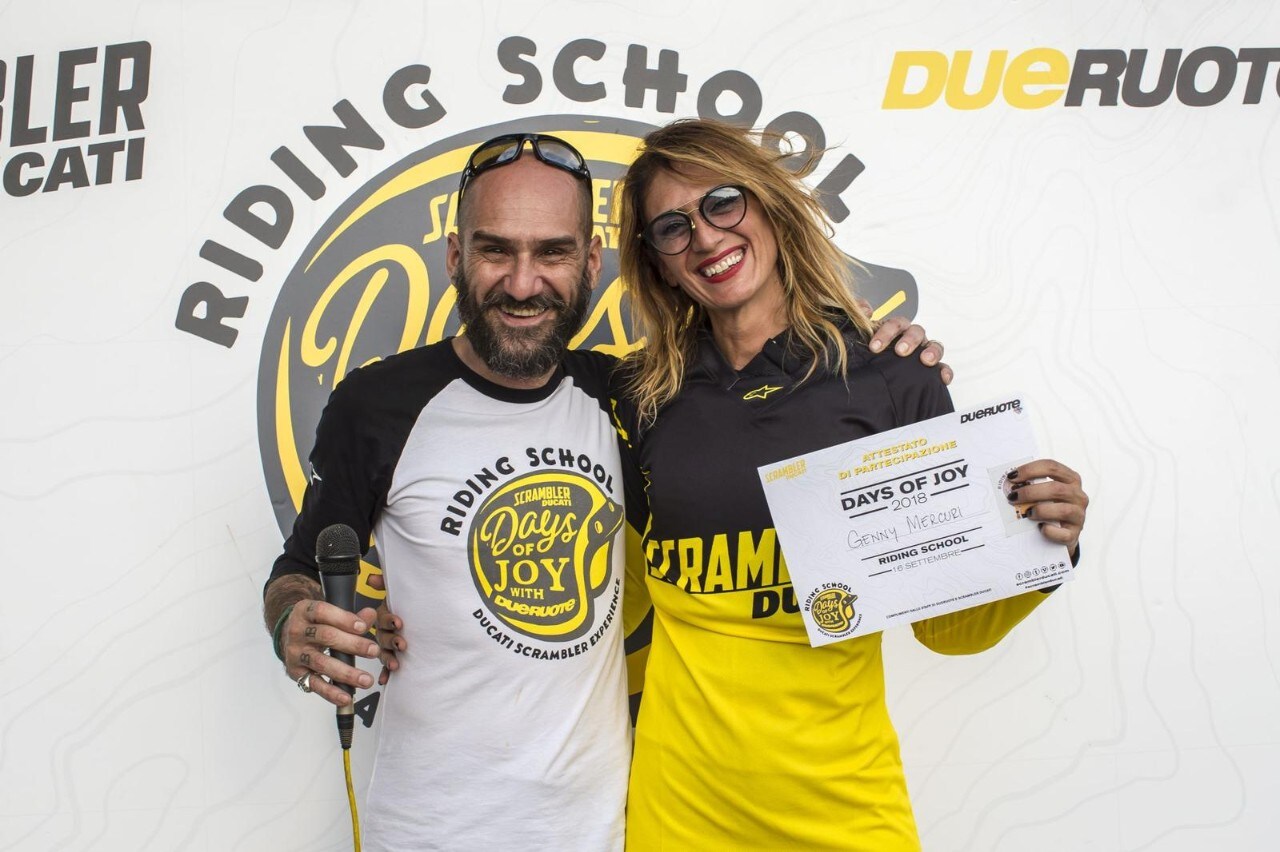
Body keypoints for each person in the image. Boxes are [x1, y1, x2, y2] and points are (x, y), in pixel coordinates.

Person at [262, 132, 947, 850]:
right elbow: (297, 571)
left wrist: (882, 368)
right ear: (456, 256)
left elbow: (744, 465)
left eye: (552, 252)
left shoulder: (629, 398)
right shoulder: (376, 404)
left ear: (592, 262)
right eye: (495, 250)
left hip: (605, 827)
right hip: (427, 829)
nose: (522, 283)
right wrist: (295, 622)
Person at [612, 118, 1089, 850]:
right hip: (678, 809)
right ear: (658, 263)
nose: (705, 237)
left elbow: (947, 629)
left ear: (770, 205)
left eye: (723, 202)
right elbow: (614, 598)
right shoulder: (641, 398)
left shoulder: (892, 375)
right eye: (672, 227)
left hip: (841, 807)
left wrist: (1042, 541)